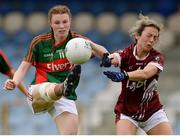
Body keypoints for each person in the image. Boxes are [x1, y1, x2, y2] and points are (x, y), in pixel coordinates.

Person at [4, 5, 108, 135]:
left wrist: (90, 44)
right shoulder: (39, 42)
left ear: (70, 21)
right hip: (40, 90)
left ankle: (64, 87)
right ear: (51, 24)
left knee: (70, 134)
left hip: (65, 96)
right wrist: (14, 82)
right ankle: (63, 86)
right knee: (52, 88)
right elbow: (23, 68)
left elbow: (104, 53)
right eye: (57, 22)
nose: (62, 26)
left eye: (65, 22)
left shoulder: (77, 41)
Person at [100, 14, 173, 135]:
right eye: (149, 35)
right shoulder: (127, 53)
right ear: (137, 35)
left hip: (152, 111)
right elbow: (116, 56)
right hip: (127, 112)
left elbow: (146, 73)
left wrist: (125, 75)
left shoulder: (157, 57)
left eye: (155, 37)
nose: (152, 40)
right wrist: (108, 60)